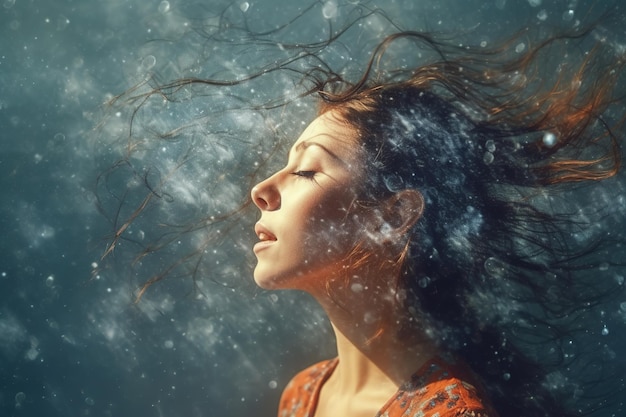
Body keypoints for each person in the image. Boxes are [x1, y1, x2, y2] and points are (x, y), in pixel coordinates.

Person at [249, 30, 625, 417]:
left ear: (392, 216)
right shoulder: (303, 393)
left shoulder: (451, 411)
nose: (260, 190)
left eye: (307, 171)